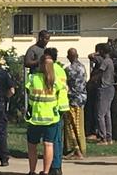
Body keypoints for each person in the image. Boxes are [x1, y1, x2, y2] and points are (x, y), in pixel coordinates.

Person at [26, 54, 67, 175]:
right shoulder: (56, 81)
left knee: (32, 146)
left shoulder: (33, 78)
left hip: (35, 117)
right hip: (51, 118)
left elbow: (28, 91)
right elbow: (62, 97)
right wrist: (61, 111)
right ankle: (46, 171)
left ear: (40, 65)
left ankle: (32, 171)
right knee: (49, 145)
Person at [43, 47, 69, 175]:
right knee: (58, 137)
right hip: (62, 105)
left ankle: (55, 166)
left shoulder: (50, 69)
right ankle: (57, 165)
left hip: (53, 106)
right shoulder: (61, 70)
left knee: (52, 139)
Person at [88, 43, 115, 145]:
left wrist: (91, 81)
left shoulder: (105, 62)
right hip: (110, 88)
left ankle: (103, 137)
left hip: (104, 88)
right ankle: (109, 137)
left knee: (100, 114)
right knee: (107, 114)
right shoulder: (110, 61)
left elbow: (100, 73)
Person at [64, 48, 87, 159]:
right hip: (82, 98)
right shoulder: (83, 67)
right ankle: (81, 149)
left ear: (70, 56)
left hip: (73, 99)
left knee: (72, 125)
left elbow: (66, 83)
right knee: (80, 125)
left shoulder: (68, 69)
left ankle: (77, 150)